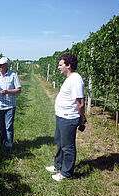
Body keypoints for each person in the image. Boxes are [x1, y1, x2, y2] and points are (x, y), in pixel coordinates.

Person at [46, 52, 86, 181]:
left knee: (68, 146)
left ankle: (66, 173)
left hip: (69, 118)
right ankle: (58, 165)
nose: (58, 67)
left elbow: (80, 103)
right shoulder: (70, 79)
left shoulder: (75, 80)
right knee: (60, 142)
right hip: (61, 116)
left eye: (60, 65)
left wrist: (82, 118)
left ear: (68, 65)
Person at [0, 57, 21, 154]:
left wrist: (7, 91)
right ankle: (2, 142)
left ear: (6, 65)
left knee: (8, 126)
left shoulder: (13, 76)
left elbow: (19, 90)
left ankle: (9, 145)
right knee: (1, 126)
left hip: (10, 106)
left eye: (1, 65)